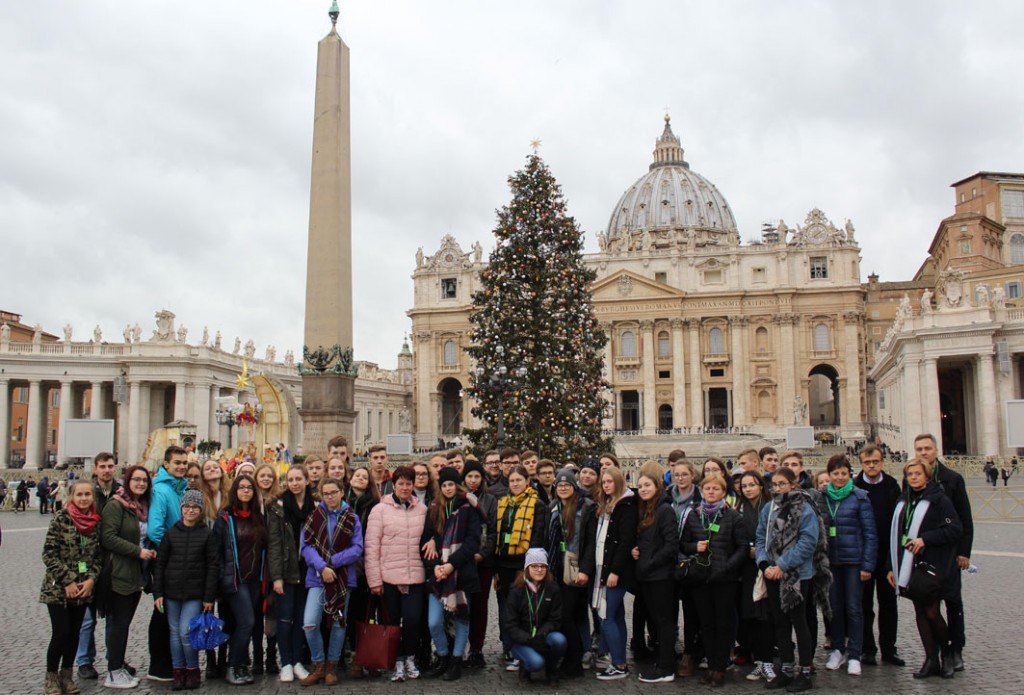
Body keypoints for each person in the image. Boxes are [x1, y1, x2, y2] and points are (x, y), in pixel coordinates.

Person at [887, 458, 963, 679]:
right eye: (910, 474)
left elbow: (954, 529)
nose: (913, 478)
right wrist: (891, 567)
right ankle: (931, 659)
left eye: (917, 474)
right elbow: (894, 535)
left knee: (931, 610)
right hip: (908, 564)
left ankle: (946, 653)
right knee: (920, 611)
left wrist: (925, 539)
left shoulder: (939, 500)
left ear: (927, 476)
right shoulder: (904, 500)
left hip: (931, 564)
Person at [755, 466, 830, 692]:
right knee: (780, 622)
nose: (777, 488)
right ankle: (786, 668)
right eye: (774, 485)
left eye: (781, 484)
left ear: (793, 484)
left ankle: (805, 671)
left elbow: (807, 543)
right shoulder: (768, 508)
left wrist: (782, 565)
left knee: (800, 623)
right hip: (772, 572)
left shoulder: (806, 509)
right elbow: (760, 537)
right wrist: (764, 563)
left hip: (798, 575)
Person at [681, 472, 749, 686]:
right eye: (708, 488)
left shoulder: (732, 516)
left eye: (716, 489)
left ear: (723, 492)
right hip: (700, 577)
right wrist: (694, 547)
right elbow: (683, 544)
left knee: (723, 623)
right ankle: (710, 664)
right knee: (706, 624)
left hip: (724, 578)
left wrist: (728, 566)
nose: (711, 492)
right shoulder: (694, 515)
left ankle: (720, 667)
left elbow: (742, 547)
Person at [913, 433, 973, 672]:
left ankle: (956, 648)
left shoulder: (952, 479)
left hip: (949, 554)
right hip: (923, 556)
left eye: (927, 448)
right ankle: (935, 653)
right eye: (919, 449)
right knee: (928, 605)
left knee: (952, 601)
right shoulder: (912, 480)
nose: (923, 452)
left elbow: (964, 520)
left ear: (936, 450)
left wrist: (964, 553)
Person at [363, 465, 428, 682]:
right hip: (388, 576)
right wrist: (374, 580)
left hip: (415, 575)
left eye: (409, 484)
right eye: (401, 483)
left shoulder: (422, 510)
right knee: (391, 623)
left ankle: (409, 656)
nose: (405, 488)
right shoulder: (380, 510)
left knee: (412, 620)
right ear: (393, 484)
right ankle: (396, 660)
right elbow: (372, 547)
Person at [298, 477, 364, 686]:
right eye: (326, 494)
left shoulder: (352, 517)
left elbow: (357, 548)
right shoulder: (314, 516)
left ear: (342, 492)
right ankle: (318, 663)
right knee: (310, 622)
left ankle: (332, 665)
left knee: (338, 622)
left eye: (333, 493)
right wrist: (322, 567)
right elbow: (306, 546)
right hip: (318, 578)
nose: (330, 497)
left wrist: (332, 563)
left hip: (342, 579)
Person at [41, 480, 102, 695]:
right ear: (72, 497)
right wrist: (67, 581)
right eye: (80, 495)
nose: (84, 498)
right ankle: (51, 677)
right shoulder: (61, 519)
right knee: (61, 632)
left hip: (83, 588)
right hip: (58, 588)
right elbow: (48, 553)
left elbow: (97, 557)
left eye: (87, 494)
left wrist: (91, 580)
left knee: (75, 633)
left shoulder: (95, 522)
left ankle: (67, 675)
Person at [153, 489, 219, 691]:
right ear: (181, 508)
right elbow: (161, 564)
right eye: (187, 506)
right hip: (171, 591)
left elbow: (212, 566)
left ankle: (192, 669)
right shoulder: (171, 533)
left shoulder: (206, 534)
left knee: (185, 632)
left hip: (194, 593)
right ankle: (178, 671)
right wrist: (158, 593)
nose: (190, 510)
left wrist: (209, 597)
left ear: (200, 510)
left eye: (195, 507)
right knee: (174, 633)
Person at [421, 467, 482, 681]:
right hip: (438, 575)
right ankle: (443, 657)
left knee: (462, 620)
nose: (447, 488)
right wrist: (436, 566)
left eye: (451, 485)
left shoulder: (469, 508)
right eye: (444, 485)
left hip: (462, 573)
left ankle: (456, 660)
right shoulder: (435, 508)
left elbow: (473, 542)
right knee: (434, 622)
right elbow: (427, 540)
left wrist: (451, 565)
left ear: (457, 486)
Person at [98, 465, 154, 689]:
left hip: (135, 573)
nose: (141, 483)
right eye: (137, 480)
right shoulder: (116, 505)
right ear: (127, 481)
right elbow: (108, 538)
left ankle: (119, 666)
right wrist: (137, 551)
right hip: (118, 571)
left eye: (144, 480)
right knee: (118, 623)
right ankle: (113, 672)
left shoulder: (141, 506)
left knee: (124, 622)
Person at [821, 455, 877, 677]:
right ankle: (837, 649)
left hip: (854, 562)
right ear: (830, 475)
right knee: (834, 608)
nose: (840, 477)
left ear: (849, 474)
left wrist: (867, 565)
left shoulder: (860, 497)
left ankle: (854, 653)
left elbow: (870, 533)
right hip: (831, 561)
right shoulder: (822, 498)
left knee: (854, 609)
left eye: (843, 473)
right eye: (835, 473)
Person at [213, 474, 268, 685]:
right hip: (235, 580)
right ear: (235, 491)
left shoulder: (257, 517)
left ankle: (241, 664)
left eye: (249, 488)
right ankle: (232, 665)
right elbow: (217, 552)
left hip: (254, 578)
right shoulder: (225, 519)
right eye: (242, 487)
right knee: (247, 622)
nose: (245, 491)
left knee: (242, 623)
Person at [854, 445, 905, 666]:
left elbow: (900, 521)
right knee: (863, 605)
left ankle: (889, 649)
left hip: (887, 555)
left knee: (888, 605)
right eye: (867, 462)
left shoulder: (893, 486)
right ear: (861, 464)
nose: (872, 466)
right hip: (863, 554)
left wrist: (896, 559)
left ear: (882, 462)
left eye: (875, 462)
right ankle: (868, 649)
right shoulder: (854, 487)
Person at [76, 452, 125, 681]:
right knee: (87, 617)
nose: (107, 470)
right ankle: (84, 660)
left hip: (112, 561)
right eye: (103, 466)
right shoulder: (87, 494)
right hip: (86, 561)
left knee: (113, 614)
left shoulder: (120, 492)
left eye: (110, 466)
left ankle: (114, 657)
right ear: (95, 468)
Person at [631, 463, 681, 684]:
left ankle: (666, 667)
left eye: (647, 485)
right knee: (658, 621)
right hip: (649, 575)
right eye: (640, 486)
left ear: (657, 486)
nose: (642, 489)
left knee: (664, 622)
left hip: (660, 576)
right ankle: (662, 661)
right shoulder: (647, 509)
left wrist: (650, 562)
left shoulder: (665, 510)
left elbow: (671, 545)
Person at [545, 468, 596, 679]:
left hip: (575, 568)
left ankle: (574, 661)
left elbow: (590, 543)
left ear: (574, 487)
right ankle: (570, 659)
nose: (563, 488)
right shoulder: (554, 507)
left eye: (567, 484)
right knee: (567, 616)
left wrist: (585, 570)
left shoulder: (587, 507)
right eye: (560, 485)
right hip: (557, 568)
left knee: (567, 615)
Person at [495, 464, 547, 669]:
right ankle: (511, 648)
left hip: (523, 564)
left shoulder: (537, 504)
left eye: (519, 480)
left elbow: (537, 536)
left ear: (527, 482)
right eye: (512, 481)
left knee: (525, 610)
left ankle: (525, 649)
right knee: (508, 609)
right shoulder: (504, 503)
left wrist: (530, 567)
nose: (515, 484)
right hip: (504, 562)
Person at [267, 464, 315, 684]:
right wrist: (276, 577)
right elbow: (274, 544)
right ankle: (285, 662)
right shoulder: (277, 508)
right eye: (291, 480)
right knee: (285, 619)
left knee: (301, 619)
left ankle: (297, 661)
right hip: (286, 571)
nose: (294, 484)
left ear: (307, 481)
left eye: (298, 479)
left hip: (308, 571)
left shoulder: (315, 506)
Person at [147, 445, 189, 683]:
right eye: (177, 463)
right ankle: (159, 664)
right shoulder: (161, 490)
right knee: (162, 611)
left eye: (184, 462)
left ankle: (170, 662)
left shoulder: (179, 487)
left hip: (178, 557)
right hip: (169, 559)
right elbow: (155, 528)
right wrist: (176, 549)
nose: (182, 466)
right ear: (166, 464)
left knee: (170, 611)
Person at [592, 465, 637, 681]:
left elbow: (624, 541)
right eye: (604, 482)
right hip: (607, 569)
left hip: (614, 571)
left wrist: (615, 571)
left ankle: (619, 663)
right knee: (617, 616)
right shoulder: (610, 504)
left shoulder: (625, 506)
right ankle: (620, 659)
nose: (606, 485)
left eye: (610, 482)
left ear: (619, 482)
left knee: (606, 617)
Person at [505, 549, 566, 684]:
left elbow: (555, 619)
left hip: (543, 635)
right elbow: (511, 624)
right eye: (534, 566)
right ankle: (524, 668)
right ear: (527, 568)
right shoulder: (516, 590)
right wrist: (529, 640)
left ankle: (551, 669)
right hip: (521, 641)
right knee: (536, 663)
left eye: (542, 566)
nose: (539, 570)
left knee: (559, 640)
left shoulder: (553, 588)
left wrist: (541, 634)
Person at [736, 470, 775, 682]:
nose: (748, 489)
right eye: (745, 486)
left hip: (767, 565)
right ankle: (756, 658)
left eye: (752, 485)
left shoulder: (770, 507)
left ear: (760, 485)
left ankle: (766, 660)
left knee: (765, 615)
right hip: (747, 568)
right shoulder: (739, 508)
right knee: (750, 613)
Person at [463, 459, 498, 670]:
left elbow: (493, 531)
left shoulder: (490, 500)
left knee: (480, 607)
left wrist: (482, 554)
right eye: (470, 476)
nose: (473, 480)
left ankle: (476, 649)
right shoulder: (458, 498)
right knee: (461, 606)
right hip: (462, 560)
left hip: (483, 561)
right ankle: (459, 648)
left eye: (477, 476)